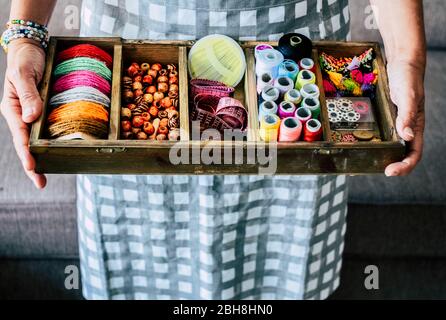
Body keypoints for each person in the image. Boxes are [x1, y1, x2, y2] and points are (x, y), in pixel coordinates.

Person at [1, 0, 425, 300]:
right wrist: (24, 39)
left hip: (296, 40)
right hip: (132, 46)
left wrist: (407, 58)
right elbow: (26, 35)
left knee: (279, 271)